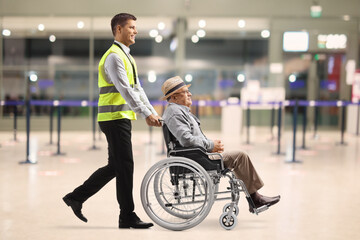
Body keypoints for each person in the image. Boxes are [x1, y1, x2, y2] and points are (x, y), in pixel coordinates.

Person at [63, 13, 161, 229]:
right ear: (118, 29)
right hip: (114, 118)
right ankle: (127, 215)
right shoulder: (114, 56)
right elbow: (125, 90)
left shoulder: (127, 56)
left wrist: (151, 111)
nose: (135, 31)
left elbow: (138, 89)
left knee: (116, 166)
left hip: (119, 117)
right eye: (131, 27)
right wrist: (146, 114)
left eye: (136, 27)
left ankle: (76, 197)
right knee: (125, 165)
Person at [161, 76, 280, 211]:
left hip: (197, 155)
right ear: (175, 97)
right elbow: (186, 139)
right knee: (240, 156)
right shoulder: (175, 112)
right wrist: (210, 145)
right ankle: (255, 199)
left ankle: (255, 198)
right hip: (195, 158)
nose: (190, 94)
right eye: (185, 91)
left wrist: (210, 147)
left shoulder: (179, 111)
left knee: (238, 157)